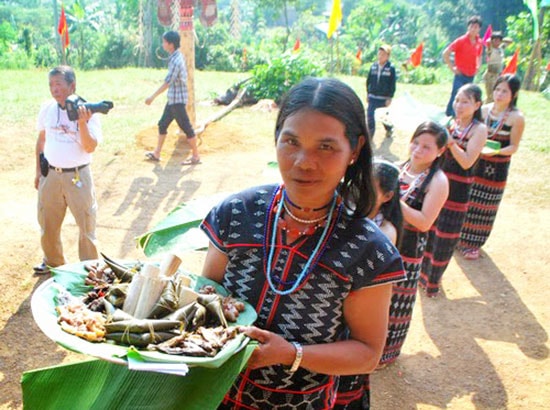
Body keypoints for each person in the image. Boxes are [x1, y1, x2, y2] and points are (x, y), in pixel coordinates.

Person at [199, 77, 405, 409]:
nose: (303, 161)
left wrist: (291, 354)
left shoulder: (369, 251)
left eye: (326, 146)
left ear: (354, 150)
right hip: (214, 395)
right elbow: (207, 295)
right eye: (291, 141)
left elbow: (367, 353)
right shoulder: (236, 214)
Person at [334, 159, 403, 409]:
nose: (359, 192)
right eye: (358, 184)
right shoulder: (347, 213)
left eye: (369, 188)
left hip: (356, 311)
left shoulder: (385, 232)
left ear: (387, 196)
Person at [380, 121, 449, 365]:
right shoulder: (398, 168)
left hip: (408, 249)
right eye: (416, 142)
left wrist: (390, 199)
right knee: (373, 298)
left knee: (396, 301)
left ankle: (384, 354)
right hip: (383, 243)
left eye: (426, 147)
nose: (418, 150)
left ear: (440, 151)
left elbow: (424, 222)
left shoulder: (438, 181)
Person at [34, 65, 102, 274]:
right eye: (51, 85)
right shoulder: (48, 108)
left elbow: (90, 146)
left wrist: (82, 122)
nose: (54, 89)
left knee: (86, 224)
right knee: (48, 222)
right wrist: (38, 172)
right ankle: (53, 262)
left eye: (59, 84)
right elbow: (41, 141)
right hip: (51, 174)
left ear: (72, 86)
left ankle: (89, 268)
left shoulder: (88, 110)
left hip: (78, 174)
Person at [420, 84, 487, 297]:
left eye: (465, 101)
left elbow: (467, 162)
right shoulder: (450, 123)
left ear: (477, 105)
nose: (459, 105)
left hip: (457, 189)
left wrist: (450, 144)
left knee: (446, 237)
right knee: (430, 231)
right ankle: (422, 276)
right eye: (457, 100)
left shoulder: (479, 130)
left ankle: (433, 282)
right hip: (437, 184)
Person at [459, 74, 525, 260]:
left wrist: (496, 152)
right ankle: (460, 239)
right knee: (468, 199)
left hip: (496, 168)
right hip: (476, 163)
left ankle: (473, 244)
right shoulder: (484, 110)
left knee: (486, 205)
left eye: (505, 91)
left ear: (514, 94)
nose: (499, 94)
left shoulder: (516, 118)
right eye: (497, 89)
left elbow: (513, 147)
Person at [144, 30, 200, 165]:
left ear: (170, 44)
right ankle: (157, 153)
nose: (163, 44)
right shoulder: (175, 58)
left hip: (177, 101)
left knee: (186, 128)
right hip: (173, 100)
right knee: (162, 124)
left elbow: (168, 82)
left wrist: (152, 97)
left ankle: (196, 156)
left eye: (164, 42)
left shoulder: (176, 60)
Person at [443, 15, 483, 117]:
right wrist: (452, 68)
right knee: (456, 95)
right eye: (472, 26)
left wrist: (478, 66)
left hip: (471, 74)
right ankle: (450, 115)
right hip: (460, 73)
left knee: (467, 97)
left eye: (476, 27)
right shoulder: (461, 40)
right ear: (468, 27)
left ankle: (458, 116)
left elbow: (480, 55)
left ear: (479, 29)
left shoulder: (479, 42)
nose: (473, 29)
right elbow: (446, 53)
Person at [366, 45, 396, 139]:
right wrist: (368, 93)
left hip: (383, 98)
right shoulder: (373, 66)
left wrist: (390, 97)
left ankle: (389, 128)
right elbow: (368, 80)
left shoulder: (391, 68)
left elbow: (392, 84)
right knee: (370, 115)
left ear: (387, 56)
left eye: (383, 54)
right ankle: (370, 135)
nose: (380, 56)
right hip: (372, 96)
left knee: (383, 117)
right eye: (379, 54)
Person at [482, 32, 505, 103]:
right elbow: (488, 41)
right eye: (495, 40)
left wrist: (502, 41)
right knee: (490, 96)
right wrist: (491, 40)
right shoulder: (490, 49)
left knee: (495, 95)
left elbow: (510, 41)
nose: (497, 42)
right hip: (490, 74)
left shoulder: (501, 49)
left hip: (498, 75)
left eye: (499, 41)